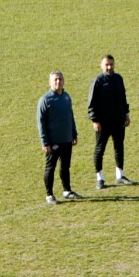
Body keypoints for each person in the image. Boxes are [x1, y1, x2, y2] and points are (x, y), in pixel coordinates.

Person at [87, 54, 131, 189]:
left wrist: (126, 114)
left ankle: (120, 175)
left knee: (119, 147)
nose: (109, 67)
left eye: (111, 64)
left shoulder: (118, 78)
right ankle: (99, 178)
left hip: (118, 121)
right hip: (103, 123)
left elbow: (123, 97)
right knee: (100, 149)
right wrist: (95, 120)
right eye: (106, 64)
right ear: (101, 65)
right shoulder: (98, 81)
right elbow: (91, 103)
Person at [38, 70, 79, 203]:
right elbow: (41, 122)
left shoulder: (66, 97)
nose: (58, 82)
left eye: (60, 79)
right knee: (50, 168)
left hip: (67, 139)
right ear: (49, 83)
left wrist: (74, 133)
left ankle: (67, 191)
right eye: (55, 79)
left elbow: (70, 116)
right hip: (53, 141)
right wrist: (45, 142)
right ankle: (49, 194)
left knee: (65, 167)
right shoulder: (45, 100)